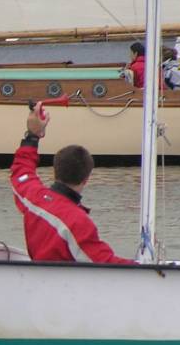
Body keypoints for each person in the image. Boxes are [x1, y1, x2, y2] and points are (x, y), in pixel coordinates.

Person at [10, 103, 135, 264]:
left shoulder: (34, 197)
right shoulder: (78, 221)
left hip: (38, 279)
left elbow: (22, 171)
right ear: (86, 179)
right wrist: (144, 266)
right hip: (64, 286)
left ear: (55, 169)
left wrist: (32, 136)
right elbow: (104, 263)